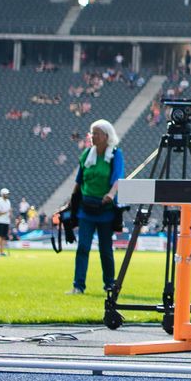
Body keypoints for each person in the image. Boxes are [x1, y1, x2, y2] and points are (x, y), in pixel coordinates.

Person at [70, 121, 125, 295]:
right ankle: (78, 285)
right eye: (92, 133)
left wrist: (111, 194)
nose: (93, 136)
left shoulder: (116, 154)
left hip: (105, 209)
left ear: (107, 136)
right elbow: (79, 181)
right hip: (86, 208)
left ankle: (109, 283)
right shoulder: (87, 154)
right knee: (83, 247)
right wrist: (71, 201)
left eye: (97, 133)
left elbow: (118, 178)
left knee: (105, 249)